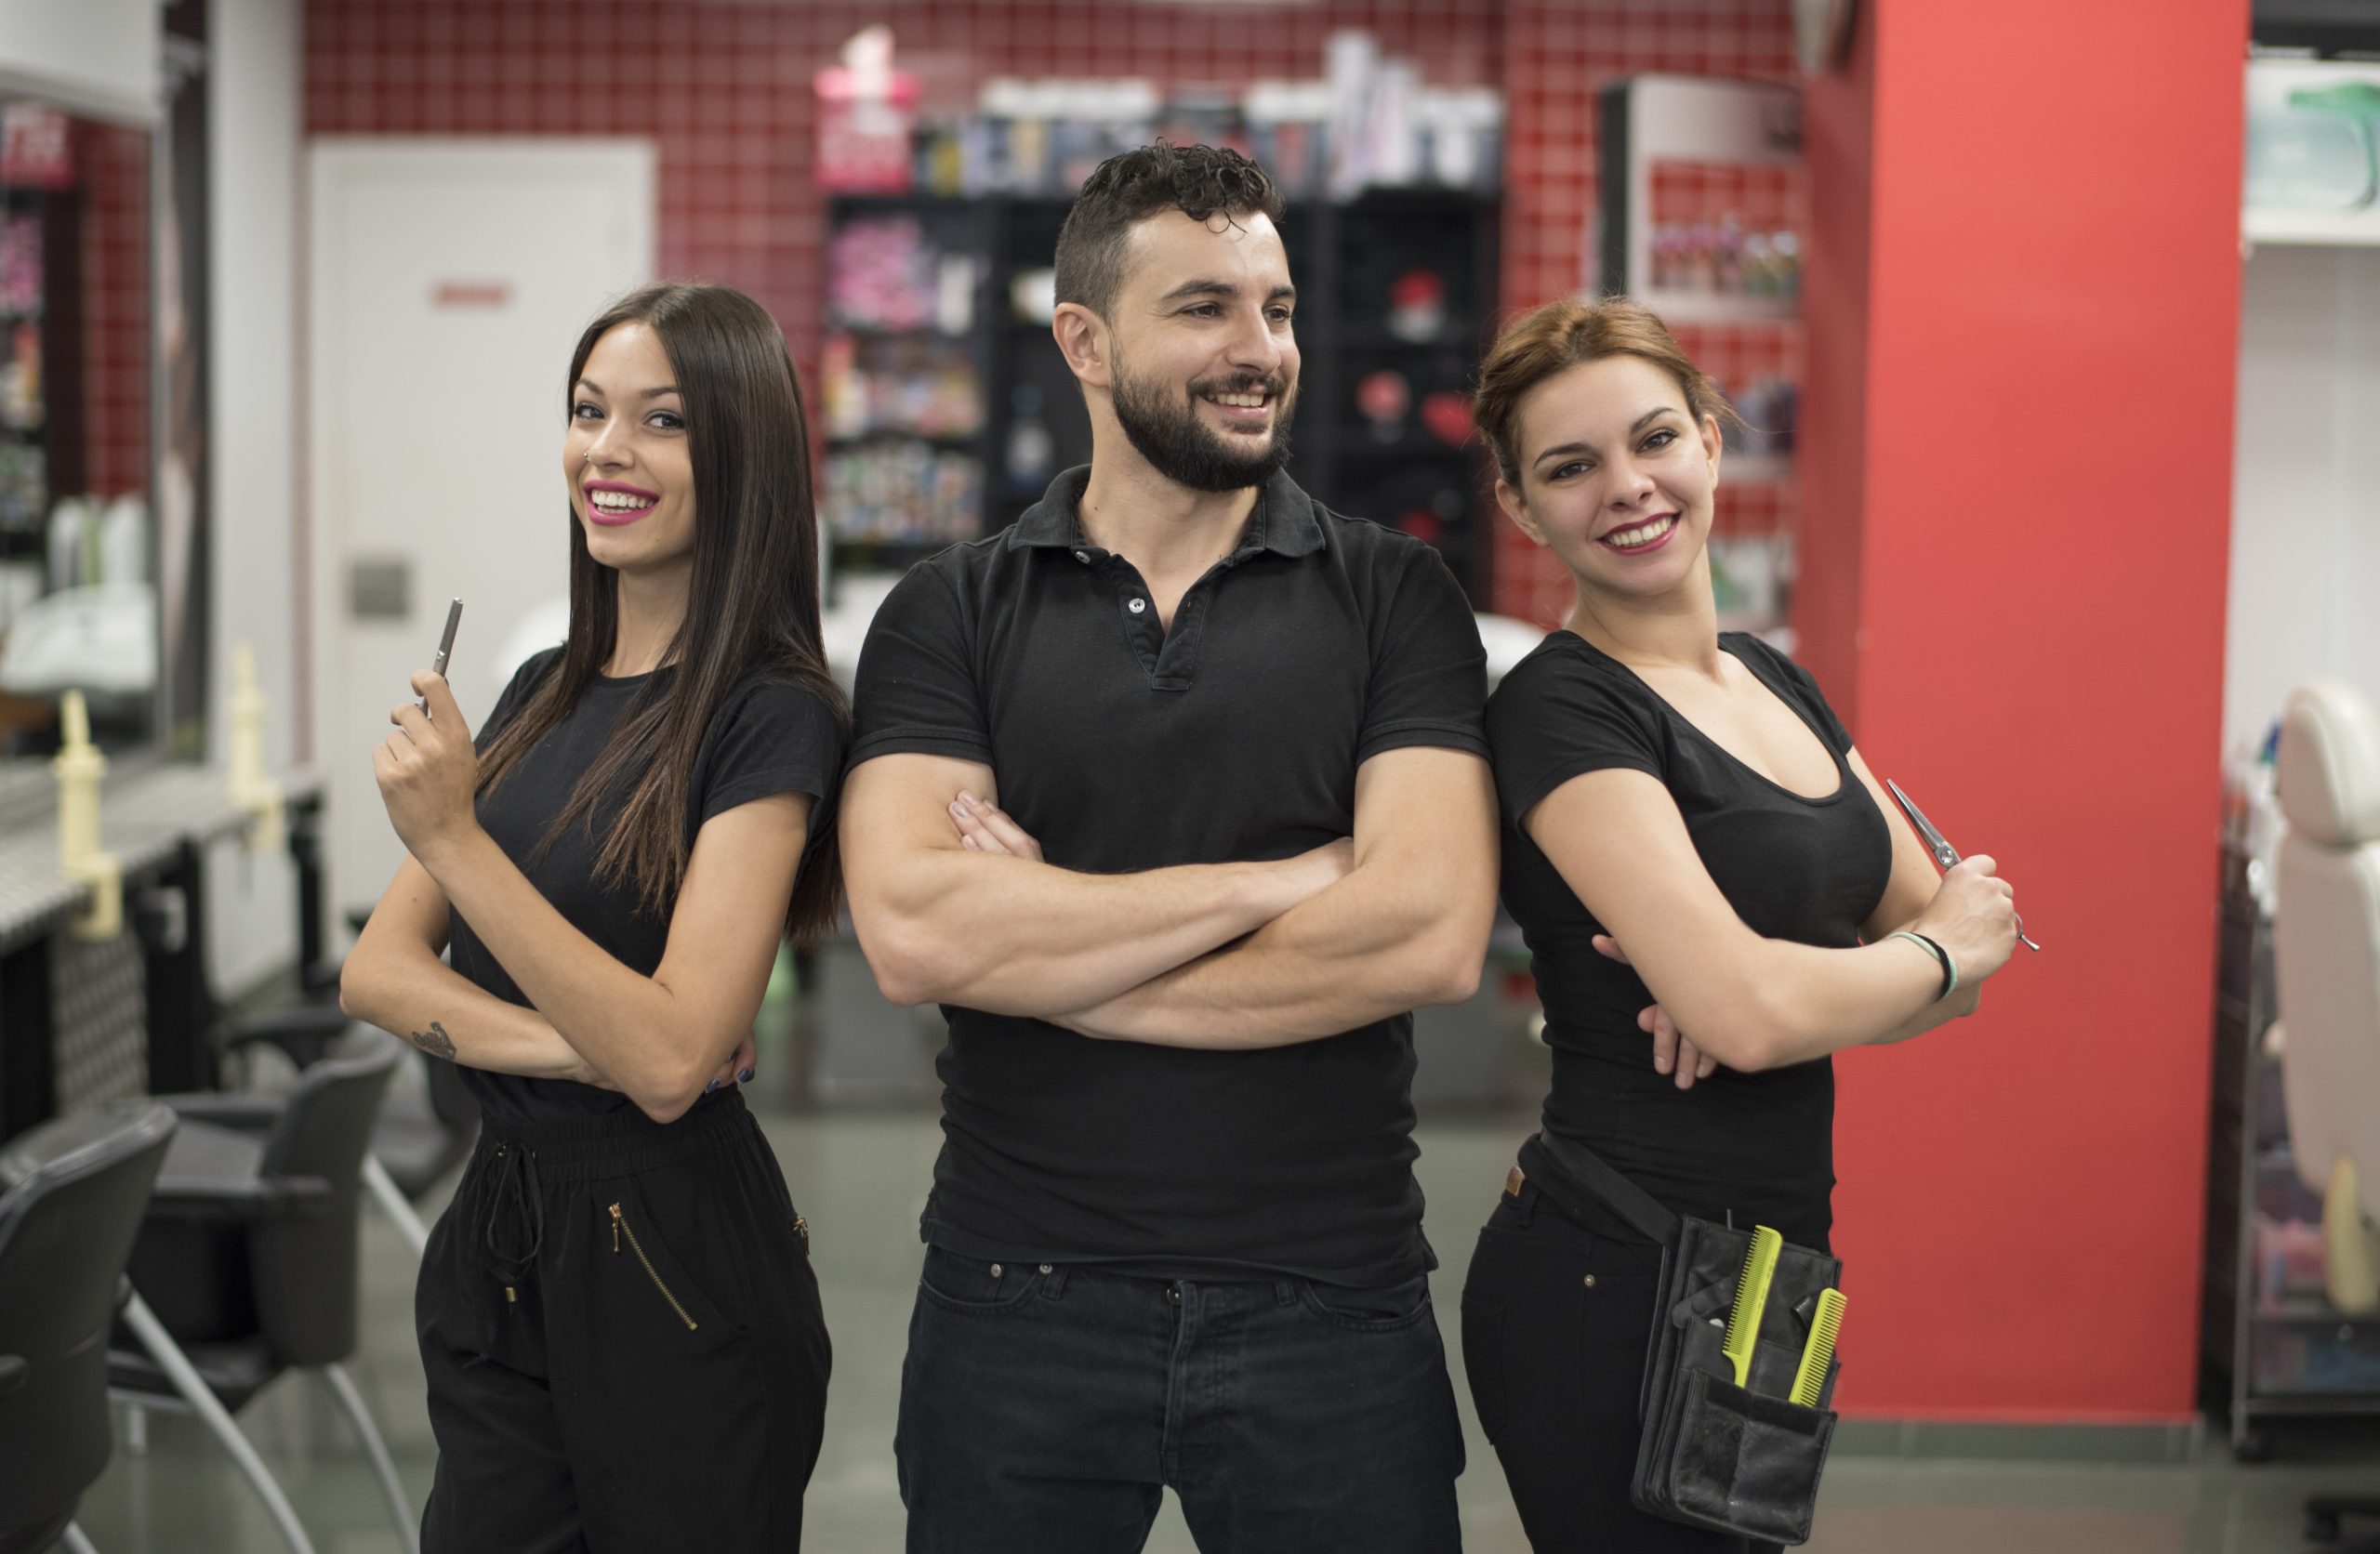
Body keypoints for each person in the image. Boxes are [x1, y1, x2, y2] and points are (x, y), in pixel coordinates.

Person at [840, 142, 1498, 1554]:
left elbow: (1428, 935)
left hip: (1331, 1297)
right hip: (1018, 1293)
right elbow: (913, 933)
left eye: (1276, 308)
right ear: (1083, 339)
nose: (1259, 349)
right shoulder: (950, 612)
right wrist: (1289, 880)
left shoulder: (1396, 597)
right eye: (1204, 308)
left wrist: (1050, 949)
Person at [1456, 296, 2020, 1552]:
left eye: (1655, 437)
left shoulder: (1776, 680)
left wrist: (1779, 972)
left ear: (1711, 436)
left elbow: (1936, 962)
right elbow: (1903, 958)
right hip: (1613, 1268)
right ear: (1521, 507)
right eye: (1570, 466)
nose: (1627, 486)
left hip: (1770, 1276)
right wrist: (1822, 975)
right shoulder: (1563, 712)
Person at [339, 282, 844, 1552]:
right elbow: (381, 975)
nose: (606, 452)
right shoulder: (538, 687)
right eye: (586, 411)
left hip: (669, 1254)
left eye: (660, 421)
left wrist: (454, 834)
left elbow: (674, 1064)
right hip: (498, 1220)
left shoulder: (770, 715)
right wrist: (584, 1046)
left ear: (741, 453)